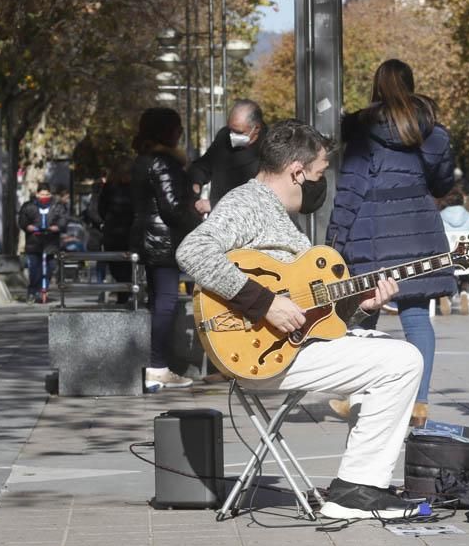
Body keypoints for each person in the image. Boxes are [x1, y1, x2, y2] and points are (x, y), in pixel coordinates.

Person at [177, 119, 421, 520]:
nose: (322, 184)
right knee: (403, 362)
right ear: (297, 171)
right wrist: (266, 304)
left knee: (384, 355)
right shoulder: (247, 204)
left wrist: (364, 307)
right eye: (321, 173)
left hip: (289, 349)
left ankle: (361, 482)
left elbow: (314, 316)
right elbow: (193, 252)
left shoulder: (275, 214)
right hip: (264, 354)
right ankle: (357, 489)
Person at [326, 59, 456, 427]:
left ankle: (355, 396)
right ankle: (419, 403)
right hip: (419, 231)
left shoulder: (364, 133)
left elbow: (350, 189)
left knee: (365, 314)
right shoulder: (431, 131)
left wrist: (334, 242)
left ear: (376, 87)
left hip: (372, 234)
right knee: (417, 318)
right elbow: (443, 182)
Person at [130, 107, 202, 388]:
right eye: (178, 127)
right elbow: (172, 208)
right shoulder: (163, 163)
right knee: (166, 303)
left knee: (158, 302)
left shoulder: (143, 160)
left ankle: (155, 364)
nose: (181, 133)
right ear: (167, 131)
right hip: (163, 241)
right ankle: (158, 366)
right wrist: (198, 220)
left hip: (148, 238)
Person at [188, 98, 326, 215]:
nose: (232, 135)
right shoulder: (223, 137)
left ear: (256, 128)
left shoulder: (272, 148)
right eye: (230, 129)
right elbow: (205, 164)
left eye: (238, 131)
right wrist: (196, 181)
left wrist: (215, 205)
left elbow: (270, 195)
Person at [437, 186, 469, 315]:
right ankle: (464, 291)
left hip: (445, 260)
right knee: (467, 263)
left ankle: (444, 294)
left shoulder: (439, 216)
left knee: (441, 265)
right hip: (465, 259)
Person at [18, 183, 68, 303]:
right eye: (42, 194)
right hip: (34, 241)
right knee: (34, 269)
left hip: (51, 241)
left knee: (51, 266)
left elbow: (63, 219)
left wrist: (58, 227)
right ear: (37, 194)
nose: (44, 196)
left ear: (50, 195)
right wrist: (27, 226)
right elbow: (22, 220)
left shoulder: (57, 206)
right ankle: (32, 292)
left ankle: (43, 288)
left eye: (47, 194)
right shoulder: (28, 206)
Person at [99, 160, 135, 303]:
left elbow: (101, 209)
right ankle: (126, 294)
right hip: (129, 232)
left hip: (113, 233)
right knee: (128, 266)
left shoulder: (108, 188)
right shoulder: (135, 188)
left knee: (117, 266)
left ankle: (123, 295)